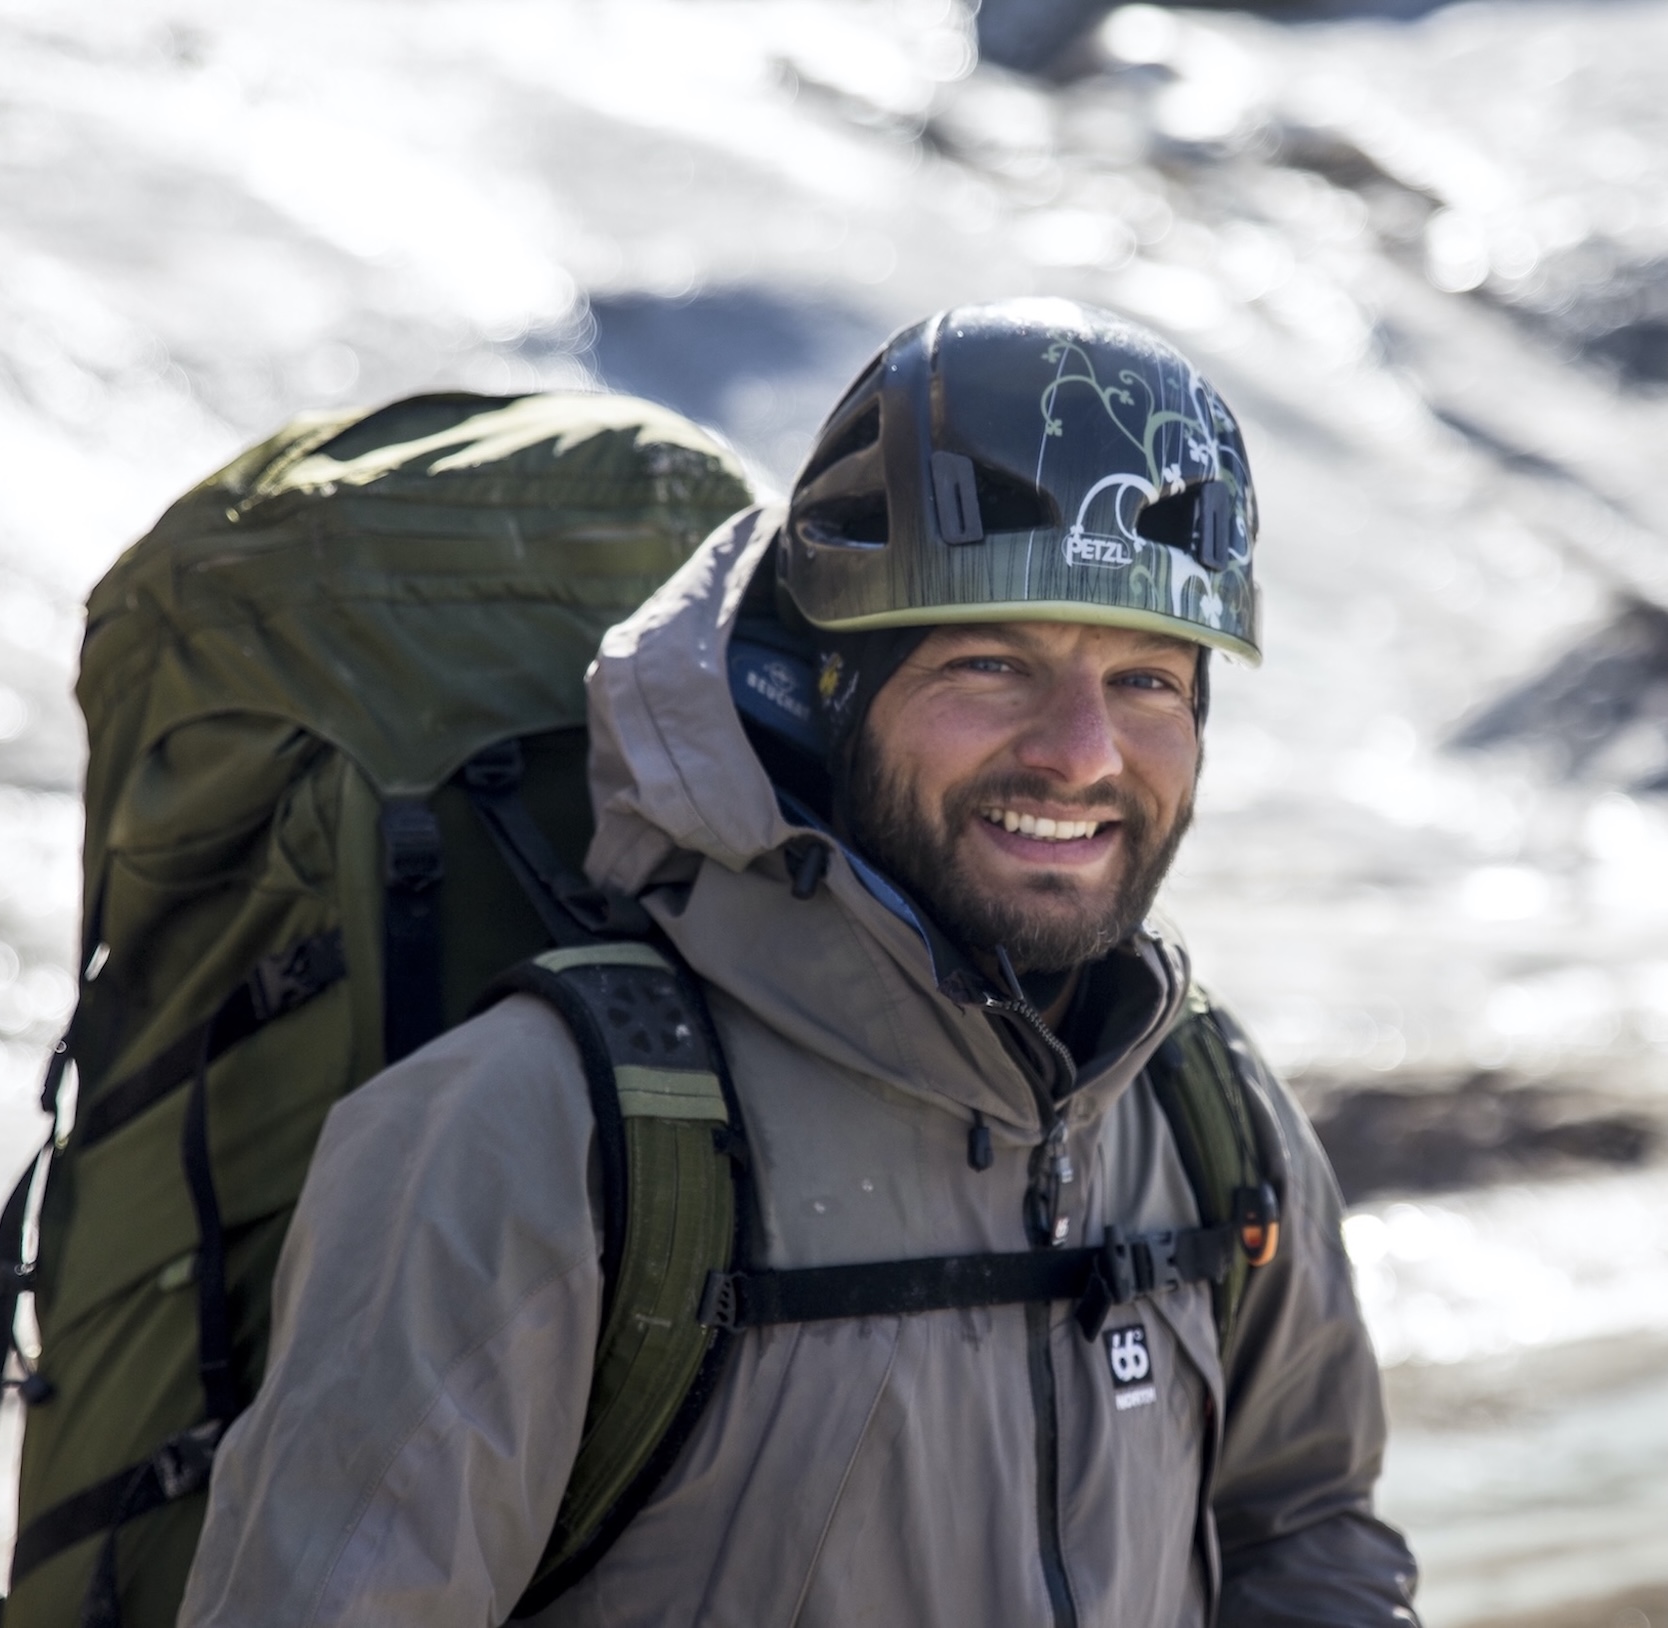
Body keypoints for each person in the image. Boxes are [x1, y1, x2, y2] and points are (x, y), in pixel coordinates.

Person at [177, 299, 1419, 1628]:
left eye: (1149, 681)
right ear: (826, 697)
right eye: (991, 663)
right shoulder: (531, 1128)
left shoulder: (1202, 1103)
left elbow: (1305, 1529)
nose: (1082, 754)